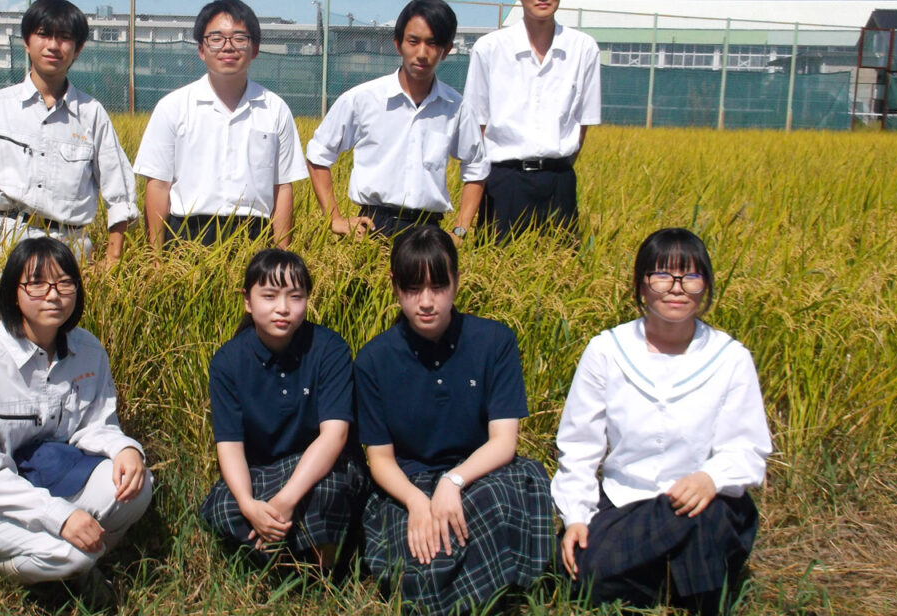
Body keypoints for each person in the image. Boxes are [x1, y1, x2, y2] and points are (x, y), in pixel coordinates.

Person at [552, 228, 771, 614]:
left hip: (701, 506)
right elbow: (580, 447)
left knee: (709, 521)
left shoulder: (730, 357)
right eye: (662, 276)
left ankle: (666, 581)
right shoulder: (607, 350)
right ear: (641, 286)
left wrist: (710, 478)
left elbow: (746, 448)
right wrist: (576, 518)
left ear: (705, 286)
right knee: (584, 566)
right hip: (626, 505)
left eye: (690, 276)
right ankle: (680, 580)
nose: (676, 288)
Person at [355, 225, 554, 614]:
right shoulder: (373, 360)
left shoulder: (494, 341)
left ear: (457, 281)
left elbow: (503, 441)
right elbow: (380, 460)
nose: (426, 302)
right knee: (425, 557)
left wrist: (454, 480)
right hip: (408, 484)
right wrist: (416, 501)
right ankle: (482, 590)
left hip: (482, 474)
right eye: (413, 289)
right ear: (395, 286)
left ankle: (487, 593)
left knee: (495, 509)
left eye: (438, 287)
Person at [0, 237, 153, 586]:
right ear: (13, 292)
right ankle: (12, 575)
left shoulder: (88, 350)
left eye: (64, 282)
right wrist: (60, 517)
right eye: (36, 283)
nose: (53, 294)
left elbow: (96, 424)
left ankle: (81, 567)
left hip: (50, 470)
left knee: (137, 488)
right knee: (70, 553)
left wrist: (125, 448)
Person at [200, 249, 368, 568]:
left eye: (295, 296)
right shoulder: (228, 361)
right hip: (262, 469)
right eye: (269, 296)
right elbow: (230, 446)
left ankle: (322, 577)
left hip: (322, 466)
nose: (283, 308)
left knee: (328, 490)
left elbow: (334, 437)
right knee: (224, 506)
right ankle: (283, 564)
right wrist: (250, 505)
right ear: (248, 301)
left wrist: (285, 500)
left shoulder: (329, 349)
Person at [0, 0, 139, 269]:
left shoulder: (92, 113)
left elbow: (120, 191)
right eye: (43, 35)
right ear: (26, 42)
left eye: (64, 37)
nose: (53, 45)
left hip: (69, 248)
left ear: (78, 49)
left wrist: (112, 259)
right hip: (6, 243)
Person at [305, 0, 487, 242]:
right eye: (413, 41)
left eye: (433, 43)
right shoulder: (362, 99)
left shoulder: (456, 107)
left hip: (429, 231)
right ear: (398, 44)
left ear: (446, 51)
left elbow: (476, 167)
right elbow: (318, 154)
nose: (422, 53)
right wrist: (335, 219)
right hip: (373, 227)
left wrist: (460, 230)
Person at [133, 0, 308, 248]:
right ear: (201, 49)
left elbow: (282, 187)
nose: (228, 47)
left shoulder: (275, 109)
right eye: (216, 39)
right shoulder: (173, 106)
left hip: (254, 235)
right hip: (187, 234)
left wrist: (280, 255)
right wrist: (156, 256)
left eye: (239, 38)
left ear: (255, 49)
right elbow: (158, 185)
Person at [462, 0, 601, 240]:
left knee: (560, 273)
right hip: (503, 182)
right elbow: (478, 122)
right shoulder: (489, 48)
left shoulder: (583, 48)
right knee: (498, 270)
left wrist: (556, 165)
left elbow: (583, 122)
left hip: (559, 182)